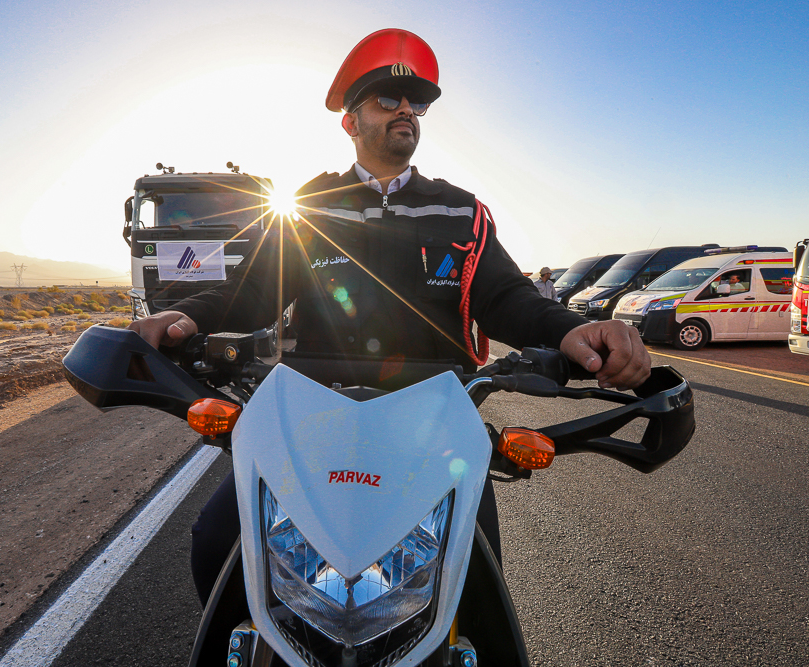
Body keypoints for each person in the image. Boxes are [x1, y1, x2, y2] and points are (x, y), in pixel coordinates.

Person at [130, 28, 651, 604]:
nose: (406, 109)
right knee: (216, 542)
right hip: (313, 414)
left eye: (416, 102)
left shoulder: (461, 210)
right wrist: (183, 317)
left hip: (435, 421)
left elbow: (506, 297)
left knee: (476, 584)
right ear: (350, 122)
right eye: (387, 98)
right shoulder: (309, 207)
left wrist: (573, 329)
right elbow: (253, 288)